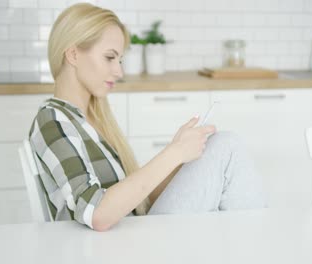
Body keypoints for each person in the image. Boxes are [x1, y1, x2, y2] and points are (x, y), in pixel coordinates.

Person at [29, 2, 266, 232]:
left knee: (220, 147)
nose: (119, 71)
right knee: (226, 146)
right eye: (109, 57)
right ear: (73, 55)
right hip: (110, 248)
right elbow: (97, 214)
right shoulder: (53, 120)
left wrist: (179, 157)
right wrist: (173, 153)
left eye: (119, 60)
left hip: (128, 233)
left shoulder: (91, 120)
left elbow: (138, 202)